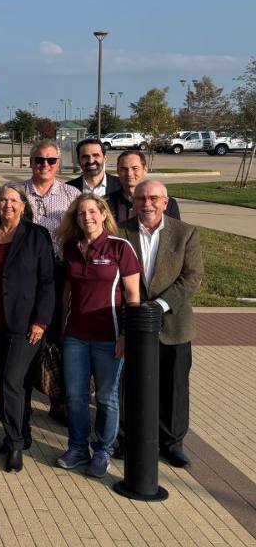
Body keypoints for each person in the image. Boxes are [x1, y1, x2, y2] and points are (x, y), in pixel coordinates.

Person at [0, 183, 55, 472]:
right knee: (14, 383)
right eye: (2, 200)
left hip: (25, 324)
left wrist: (41, 321)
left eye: (13, 200)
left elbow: (47, 282)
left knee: (11, 382)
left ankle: (14, 442)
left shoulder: (36, 235)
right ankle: (22, 431)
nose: (7, 205)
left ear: (23, 205)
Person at [117, 180, 202, 468]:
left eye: (154, 198)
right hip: (133, 324)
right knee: (130, 383)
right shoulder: (120, 231)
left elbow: (191, 278)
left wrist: (158, 306)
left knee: (174, 386)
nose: (147, 203)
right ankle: (127, 438)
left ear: (166, 202)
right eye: (141, 198)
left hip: (173, 324)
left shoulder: (185, 233)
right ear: (133, 202)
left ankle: (172, 443)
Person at [55, 194, 140, 479]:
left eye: (92, 211)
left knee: (106, 396)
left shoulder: (120, 248)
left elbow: (133, 296)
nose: (87, 217)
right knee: (75, 396)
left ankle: (103, 450)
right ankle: (78, 447)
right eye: (81, 213)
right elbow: (66, 292)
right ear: (75, 219)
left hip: (110, 335)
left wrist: (127, 335)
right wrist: (62, 330)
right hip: (75, 336)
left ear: (103, 214)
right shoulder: (70, 248)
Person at [22, 139, 80, 425]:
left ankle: (59, 400)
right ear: (30, 161)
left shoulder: (72, 194)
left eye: (51, 161)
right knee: (28, 335)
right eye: (39, 160)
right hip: (27, 275)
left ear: (58, 163)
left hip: (60, 273)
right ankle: (23, 400)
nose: (45, 165)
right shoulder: (18, 193)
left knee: (59, 336)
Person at [110, 151, 182, 222]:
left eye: (135, 168)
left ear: (145, 170)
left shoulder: (167, 204)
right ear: (118, 171)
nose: (129, 173)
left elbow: (175, 232)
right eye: (124, 169)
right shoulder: (107, 203)